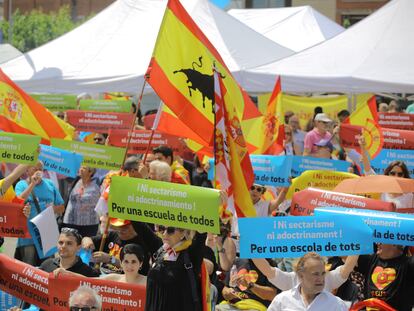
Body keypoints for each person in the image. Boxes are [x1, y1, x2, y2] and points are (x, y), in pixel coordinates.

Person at [145, 226, 207, 311]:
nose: (165, 233)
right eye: (162, 228)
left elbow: (201, 236)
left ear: (183, 233)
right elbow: (140, 226)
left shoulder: (191, 254)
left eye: (170, 230)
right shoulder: (160, 249)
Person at [14, 161, 65, 265]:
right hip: (28, 235)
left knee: (48, 266)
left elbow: (62, 207)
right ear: (27, 171)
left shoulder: (50, 184)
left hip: (46, 233)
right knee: (28, 268)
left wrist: (53, 209)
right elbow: (17, 202)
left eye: (40, 169)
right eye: (35, 169)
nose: (38, 172)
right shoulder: (21, 184)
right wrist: (32, 184)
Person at [267, 252, 348, 311]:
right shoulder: (281, 300)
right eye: (315, 274)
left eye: (323, 273)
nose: (320, 278)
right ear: (300, 275)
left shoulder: (337, 304)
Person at [82, 219, 162, 275]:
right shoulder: (112, 235)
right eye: (119, 226)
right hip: (103, 276)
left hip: (126, 281)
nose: (120, 230)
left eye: (125, 227)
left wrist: (110, 259)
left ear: (134, 226)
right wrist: (87, 241)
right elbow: (86, 239)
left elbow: (137, 269)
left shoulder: (142, 242)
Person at [355, 244, 414, 311]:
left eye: (382, 240)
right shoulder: (371, 260)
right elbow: (344, 254)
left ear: (394, 243)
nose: (377, 243)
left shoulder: (409, 265)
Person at [62, 166, 100, 237]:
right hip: (71, 221)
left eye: (84, 168)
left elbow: (96, 202)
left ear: (90, 172)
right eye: (80, 167)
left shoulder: (95, 186)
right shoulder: (75, 182)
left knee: (86, 246)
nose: (81, 169)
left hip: (89, 223)